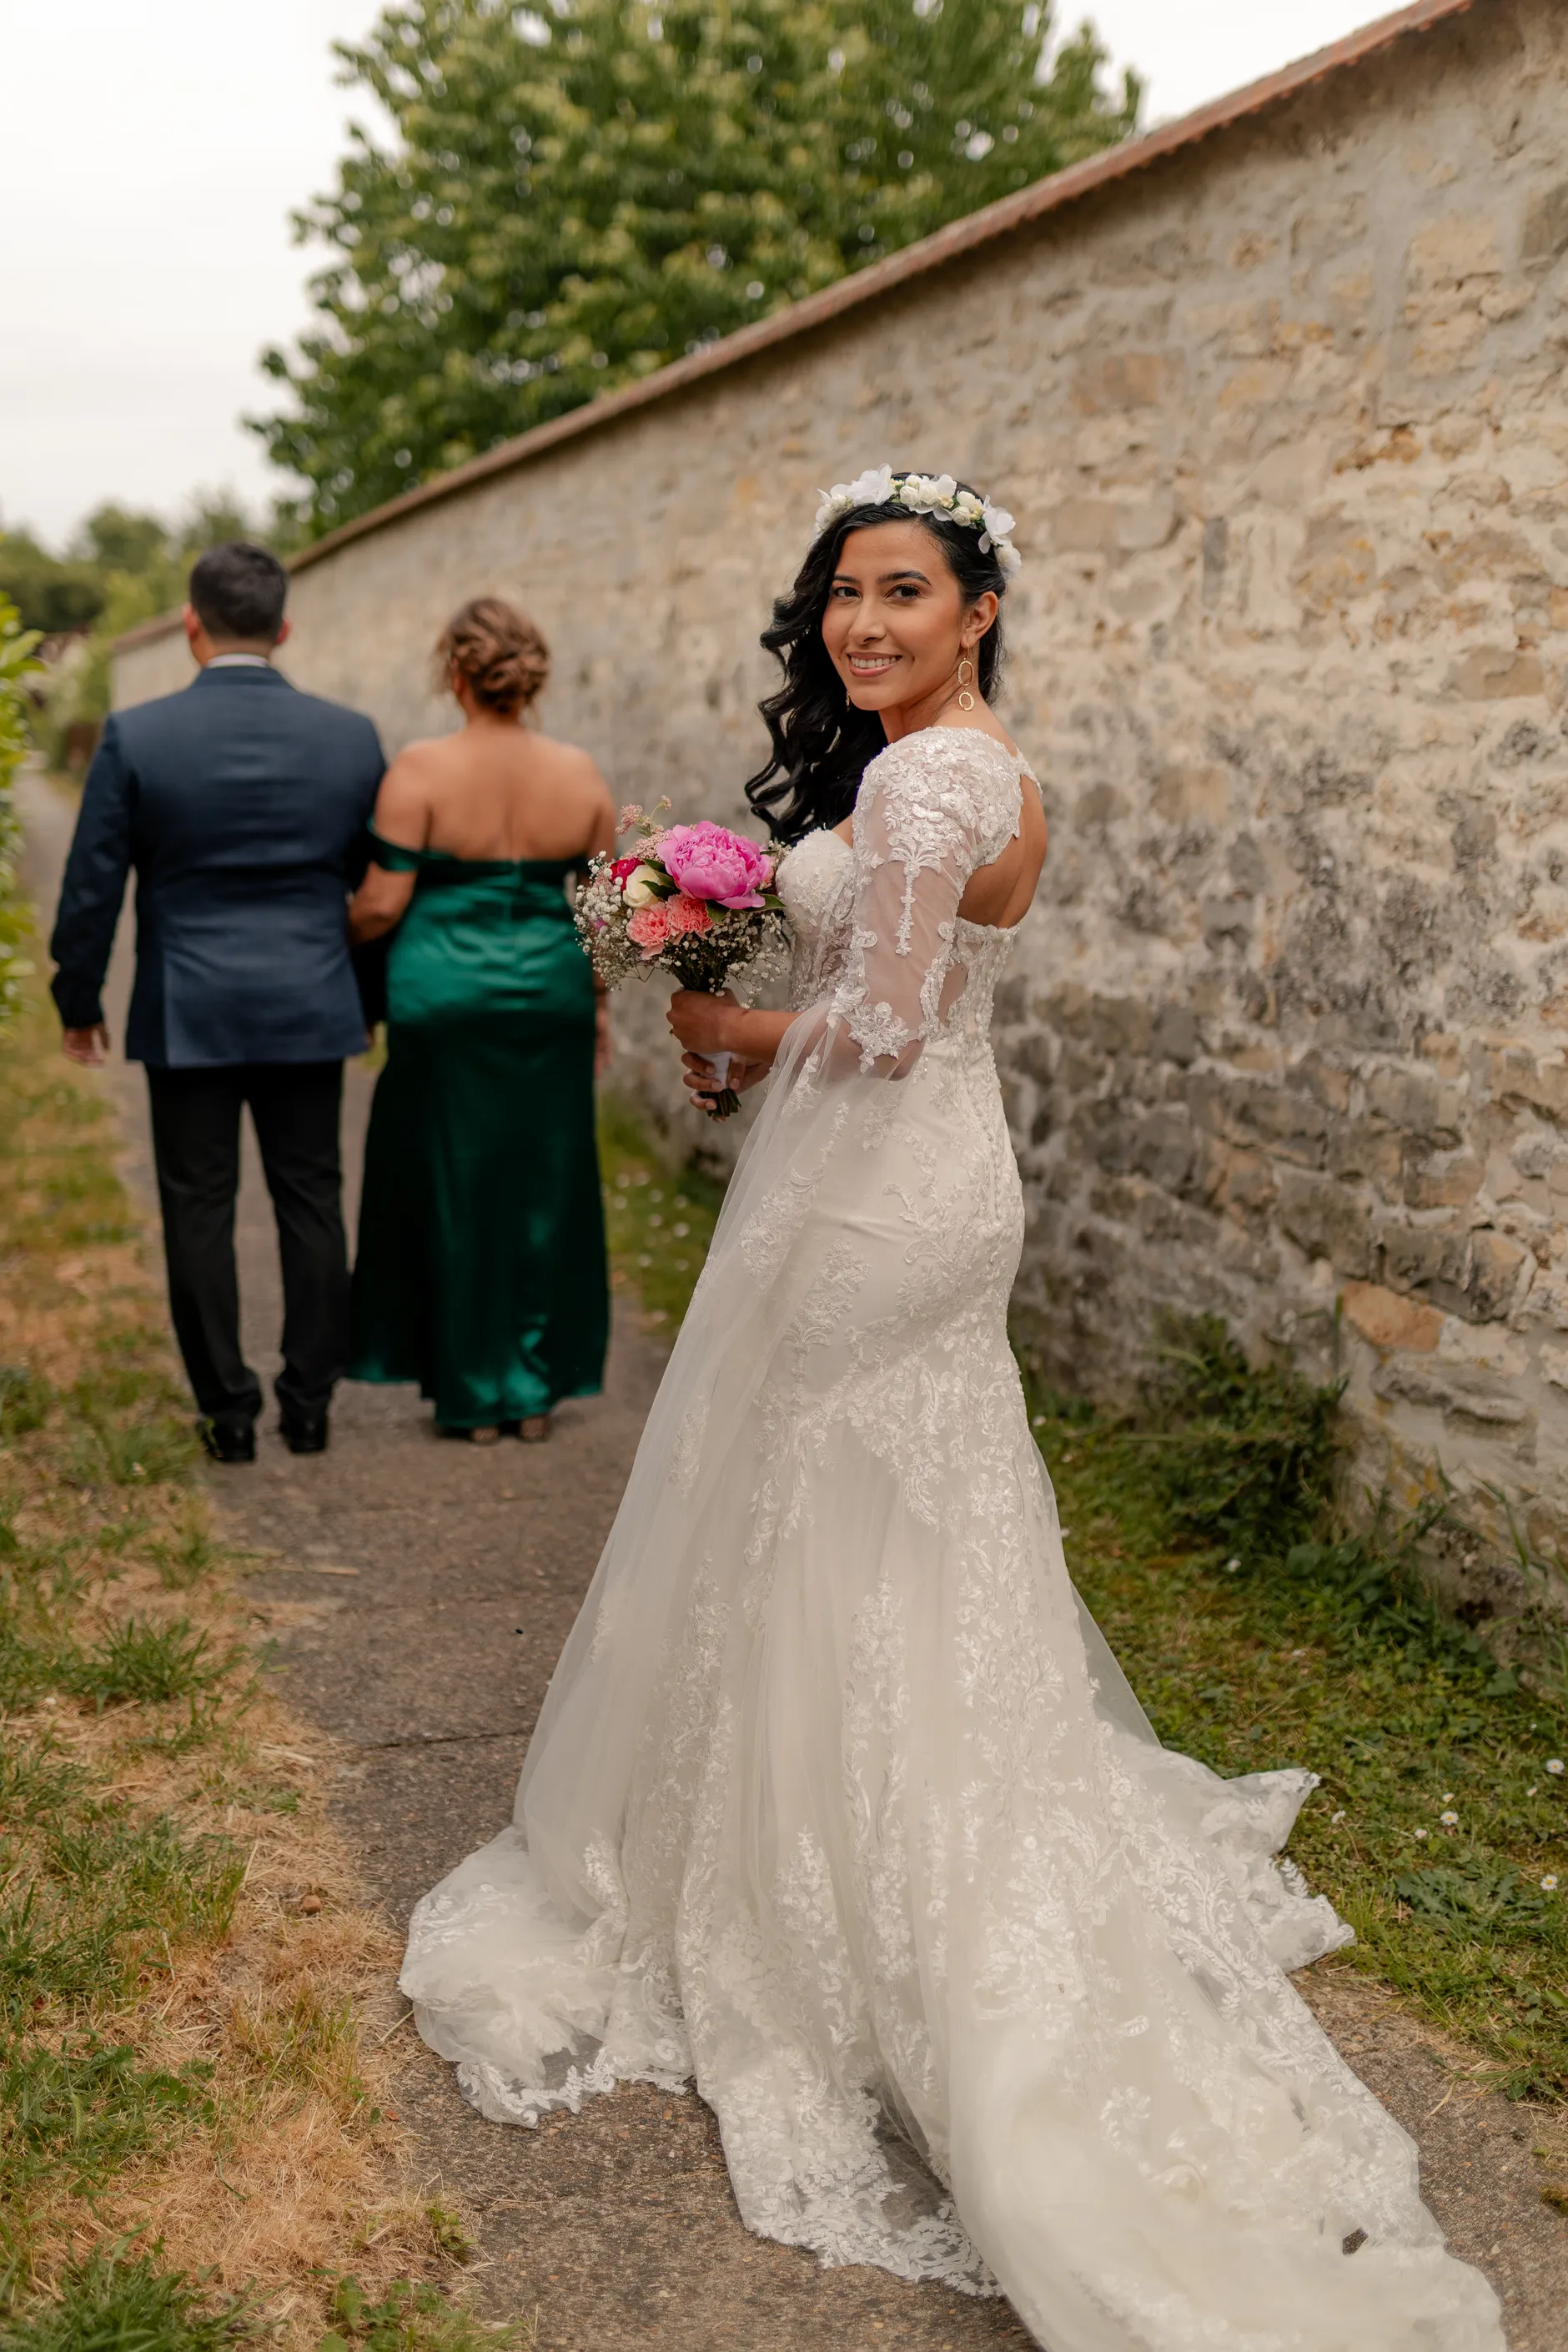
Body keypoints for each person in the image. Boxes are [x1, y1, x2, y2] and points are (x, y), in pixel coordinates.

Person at [398, 475, 1502, 2349]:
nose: (862, 626)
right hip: (934, 1186)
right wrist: (737, 978)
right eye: (841, 598)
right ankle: (881, 1803)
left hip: (876, 1200)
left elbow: (886, 1018)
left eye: (904, 593)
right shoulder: (995, 768)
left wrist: (726, 1028)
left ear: (979, 605)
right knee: (908, 1516)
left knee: (809, 1499)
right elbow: (917, 994)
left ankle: (839, 1881)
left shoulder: (916, 784)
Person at [49, 541, 384, 1464]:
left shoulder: (137, 734)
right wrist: (366, 1002)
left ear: (191, 624)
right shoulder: (349, 737)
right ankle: (309, 1404)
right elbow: (375, 890)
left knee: (198, 1206)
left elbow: (90, 886)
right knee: (312, 1200)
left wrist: (78, 997)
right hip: (312, 1004)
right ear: (283, 629)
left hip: (186, 1007)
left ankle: (227, 1416)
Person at [346, 596, 613, 1444]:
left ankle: (469, 1395)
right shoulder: (578, 773)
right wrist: (597, 1008)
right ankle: (532, 1387)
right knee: (546, 1184)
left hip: (441, 996)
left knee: (452, 1182)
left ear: (454, 674)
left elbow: (382, 904)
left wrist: (338, 924)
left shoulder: (420, 771)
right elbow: (608, 913)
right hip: (550, 994)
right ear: (527, 677)